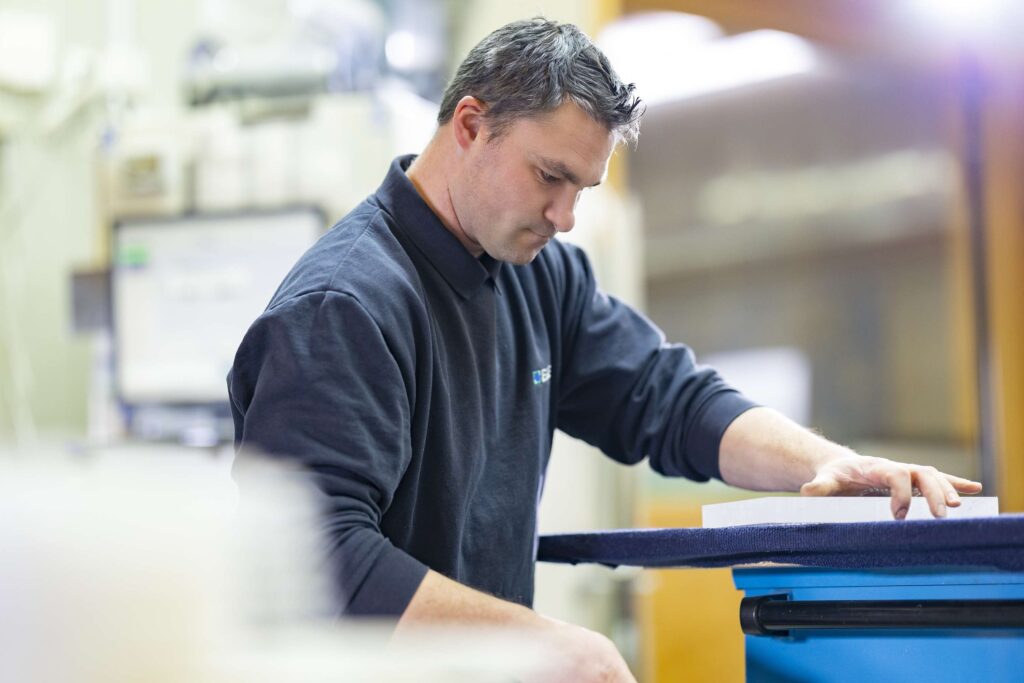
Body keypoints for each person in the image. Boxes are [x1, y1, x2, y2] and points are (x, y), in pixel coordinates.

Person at [228, 17, 982, 682]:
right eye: (550, 177)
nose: (564, 216)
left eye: (583, 188)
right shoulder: (343, 307)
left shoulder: (538, 273)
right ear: (468, 125)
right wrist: (548, 647)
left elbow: (664, 396)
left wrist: (821, 463)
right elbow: (313, 559)